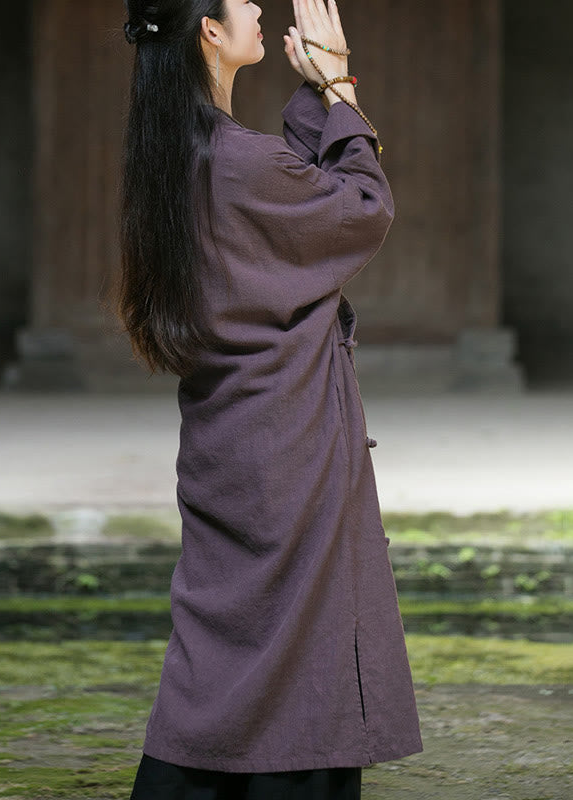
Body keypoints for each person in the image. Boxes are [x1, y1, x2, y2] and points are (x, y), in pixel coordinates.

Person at [117, 0, 423, 797]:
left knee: (224, 638)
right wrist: (342, 87)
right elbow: (361, 206)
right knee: (309, 632)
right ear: (210, 32)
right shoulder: (235, 162)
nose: (258, 5)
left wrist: (319, 90)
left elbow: (277, 188)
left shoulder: (169, 154)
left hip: (226, 438)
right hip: (287, 440)